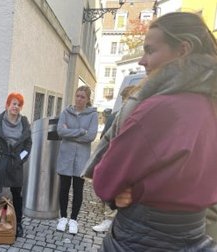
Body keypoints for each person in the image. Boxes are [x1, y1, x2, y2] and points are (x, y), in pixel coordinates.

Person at [93, 12, 217, 250]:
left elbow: (104, 180)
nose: (142, 61)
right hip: (196, 236)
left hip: (144, 237)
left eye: (150, 51)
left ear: (183, 50)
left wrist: (136, 191)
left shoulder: (160, 108)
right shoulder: (209, 105)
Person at [0, 92, 32, 238]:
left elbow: (28, 144)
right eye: (13, 103)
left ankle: (18, 225)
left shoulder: (24, 122)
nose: (16, 107)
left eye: (19, 104)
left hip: (15, 162)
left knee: (17, 194)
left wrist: (21, 159)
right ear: (7, 104)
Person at [93, 85, 138, 233]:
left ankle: (116, 221)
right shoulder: (114, 116)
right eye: (126, 98)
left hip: (128, 163)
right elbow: (104, 137)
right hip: (112, 160)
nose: (128, 102)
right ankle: (108, 219)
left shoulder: (140, 117)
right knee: (108, 192)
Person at [55, 86, 98, 234]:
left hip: (81, 159)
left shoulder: (93, 115)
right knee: (64, 189)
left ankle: (73, 219)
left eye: (82, 97)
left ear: (87, 99)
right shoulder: (66, 112)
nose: (79, 99)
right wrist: (80, 131)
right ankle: (63, 217)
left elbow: (91, 136)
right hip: (66, 157)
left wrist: (70, 133)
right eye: (77, 96)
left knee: (78, 190)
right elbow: (60, 131)